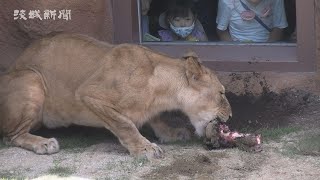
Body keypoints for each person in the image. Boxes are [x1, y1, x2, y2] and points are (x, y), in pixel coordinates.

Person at [216, 0, 288, 42]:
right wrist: (236, 52)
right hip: (237, 48)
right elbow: (222, 31)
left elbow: (279, 28)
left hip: (268, 49)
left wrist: (266, 52)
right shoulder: (227, 1)